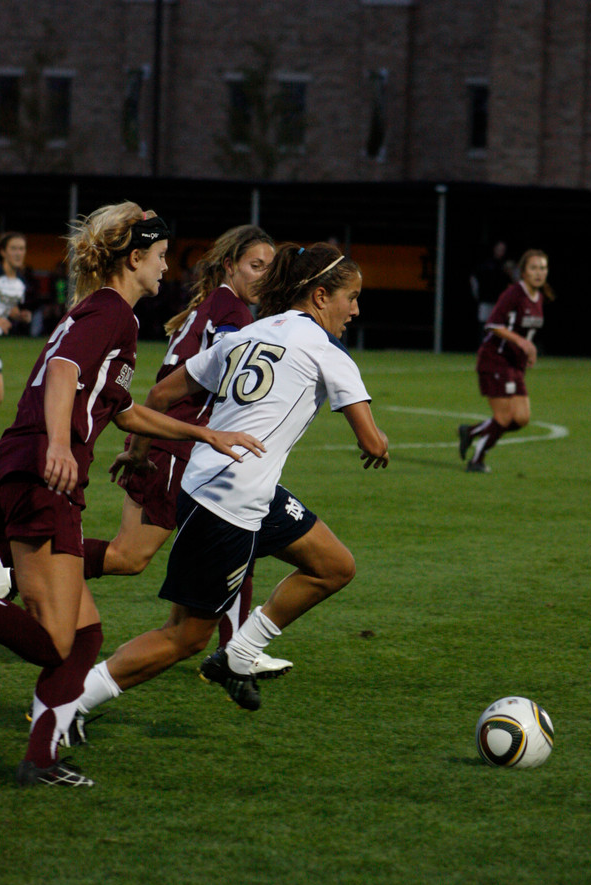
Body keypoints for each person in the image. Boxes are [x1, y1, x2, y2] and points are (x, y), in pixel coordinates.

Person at [69, 242, 389, 765]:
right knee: (184, 637)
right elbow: (373, 443)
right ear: (321, 294)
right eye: (351, 298)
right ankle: (68, 703)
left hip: (228, 487)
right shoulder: (328, 354)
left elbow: (161, 393)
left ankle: (240, 653)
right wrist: (379, 442)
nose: (355, 310)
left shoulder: (251, 333)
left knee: (333, 566)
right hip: (229, 503)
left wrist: (141, 453)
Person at [0, 201, 265, 788]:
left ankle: (39, 761)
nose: (167, 268)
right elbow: (64, 370)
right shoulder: (112, 311)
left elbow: (123, 412)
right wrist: (62, 445)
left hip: (35, 469)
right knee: (55, 641)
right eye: (161, 257)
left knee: (86, 636)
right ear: (135, 258)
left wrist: (204, 432)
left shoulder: (112, 315)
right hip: (45, 473)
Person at [80, 224, 285, 666]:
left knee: (238, 543)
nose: (264, 276)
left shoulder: (213, 305)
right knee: (128, 556)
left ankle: (234, 652)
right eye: (256, 265)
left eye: (271, 268)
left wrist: (139, 445)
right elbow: (172, 392)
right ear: (230, 265)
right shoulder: (233, 317)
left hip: (175, 447)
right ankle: (18, 565)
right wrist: (141, 449)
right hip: (180, 452)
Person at [459, 249, 553, 473]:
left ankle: (471, 432)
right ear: (523, 271)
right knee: (503, 418)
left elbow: (525, 332)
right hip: (495, 360)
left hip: (515, 365)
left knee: (521, 419)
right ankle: (476, 461)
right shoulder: (514, 293)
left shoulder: (538, 296)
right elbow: (492, 324)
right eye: (533, 268)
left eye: (543, 268)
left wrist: (528, 349)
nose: (539, 272)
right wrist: (523, 343)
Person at [0, 232, 33, 406]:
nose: (18, 253)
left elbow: (9, 307)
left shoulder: (20, 283)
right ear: (3, 252)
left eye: (22, 249)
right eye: (13, 248)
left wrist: (20, 315)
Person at [468, 240, 514, 344]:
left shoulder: (507, 265)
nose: (501, 252)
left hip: (500, 302)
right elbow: (474, 280)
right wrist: (478, 296)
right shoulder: (485, 264)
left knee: (500, 326)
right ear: (494, 249)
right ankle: (483, 347)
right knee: (484, 325)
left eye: (503, 250)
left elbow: (513, 284)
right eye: (499, 249)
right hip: (486, 300)